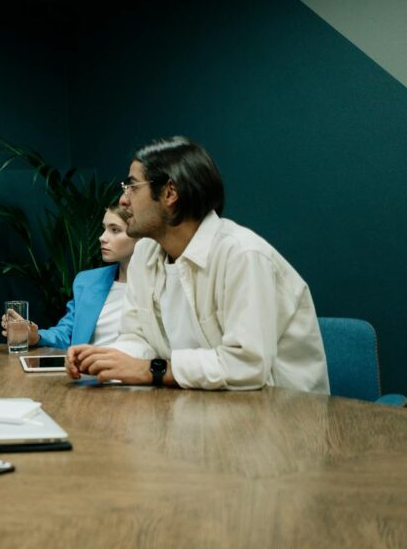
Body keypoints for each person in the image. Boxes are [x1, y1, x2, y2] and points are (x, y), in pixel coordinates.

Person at [66, 137, 329, 393]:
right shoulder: (145, 253)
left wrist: (152, 370)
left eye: (133, 187)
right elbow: (138, 337)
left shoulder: (242, 254)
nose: (123, 200)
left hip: (280, 419)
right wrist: (106, 360)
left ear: (169, 192)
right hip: (200, 408)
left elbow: (247, 366)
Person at [1, 204, 138, 349]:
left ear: (143, 235)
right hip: (84, 370)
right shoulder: (88, 281)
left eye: (115, 230)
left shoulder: (160, 285)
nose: (102, 238)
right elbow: (67, 333)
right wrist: (35, 336)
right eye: (104, 229)